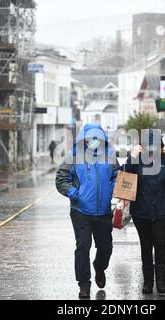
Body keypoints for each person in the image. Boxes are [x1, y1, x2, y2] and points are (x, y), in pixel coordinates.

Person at [55, 124, 119, 299]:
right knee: (83, 247)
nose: (93, 142)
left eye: (97, 138)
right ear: (83, 139)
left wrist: (112, 191)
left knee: (105, 248)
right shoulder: (73, 157)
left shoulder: (110, 156)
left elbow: (117, 176)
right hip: (80, 211)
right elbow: (61, 179)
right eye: (90, 138)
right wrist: (76, 194)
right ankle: (84, 284)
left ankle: (99, 267)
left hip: (104, 212)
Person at [124, 129, 165, 294]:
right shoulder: (138, 159)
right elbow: (125, 174)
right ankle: (147, 282)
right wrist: (132, 156)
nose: (151, 147)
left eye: (155, 144)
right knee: (146, 246)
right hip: (141, 210)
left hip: (162, 210)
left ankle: (161, 282)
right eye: (148, 144)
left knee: (159, 243)